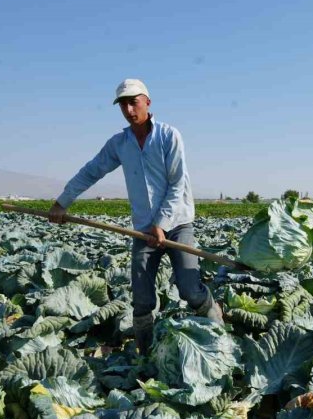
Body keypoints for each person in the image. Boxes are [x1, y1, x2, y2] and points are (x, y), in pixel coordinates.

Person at [48, 78, 223, 354]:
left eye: (134, 102)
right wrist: (62, 202)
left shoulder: (169, 136)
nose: (129, 110)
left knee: (190, 290)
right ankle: (146, 356)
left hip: (177, 224)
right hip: (143, 230)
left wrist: (161, 224)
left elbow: (178, 184)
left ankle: (215, 324)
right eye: (123, 105)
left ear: (147, 102)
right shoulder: (120, 143)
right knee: (141, 300)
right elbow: (92, 170)